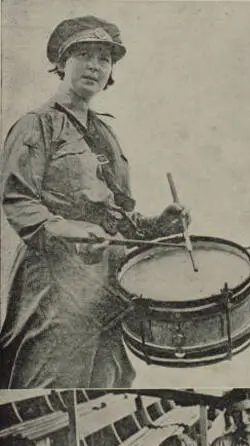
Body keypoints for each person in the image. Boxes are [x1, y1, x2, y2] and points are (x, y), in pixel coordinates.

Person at [0, 16, 189, 388]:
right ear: (61, 63)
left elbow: (117, 214)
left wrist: (158, 225)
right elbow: (18, 198)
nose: (94, 66)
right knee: (51, 380)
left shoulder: (104, 133)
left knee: (108, 381)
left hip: (107, 283)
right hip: (57, 278)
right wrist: (67, 229)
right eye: (83, 55)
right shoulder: (36, 124)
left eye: (104, 59)